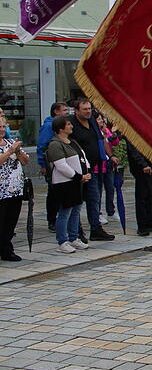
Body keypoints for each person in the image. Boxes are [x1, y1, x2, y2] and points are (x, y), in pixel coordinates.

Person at [69, 99, 113, 241]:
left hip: (93, 167)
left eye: (89, 108)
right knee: (76, 201)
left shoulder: (92, 120)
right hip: (77, 169)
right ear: (76, 110)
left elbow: (101, 139)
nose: (88, 111)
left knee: (94, 198)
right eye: (85, 109)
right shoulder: (70, 123)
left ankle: (96, 228)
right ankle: (76, 231)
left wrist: (110, 156)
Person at [47, 117, 90, 254]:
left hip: (76, 182)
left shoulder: (72, 141)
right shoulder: (55, 144)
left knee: (76, 210)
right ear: (60, 128)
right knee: (65, 212)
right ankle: (62, 241)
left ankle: (74, 237)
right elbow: (61, 166)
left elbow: (82, 156)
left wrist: (86, 172)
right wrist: (78, 176)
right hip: (65, 183)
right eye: (68, 124)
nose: (71, 126)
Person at [0, 109, 28, 262]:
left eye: (4, 127)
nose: (2, 130)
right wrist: (9, 151)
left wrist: (18, 152)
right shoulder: (8, 147)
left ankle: (6, 249)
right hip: (1, 190)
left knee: (11, 221)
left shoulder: (11, 142)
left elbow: (25, 161)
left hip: (14, 189)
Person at [37, 102, 69, 233]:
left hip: (63, 162)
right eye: (64, 110)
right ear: (56, 111)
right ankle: (52, 219)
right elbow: (42, 146)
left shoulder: (62, 126)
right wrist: (43, 164)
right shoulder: (48, 126)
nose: (67, 112)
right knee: (53, 193)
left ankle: (62, 218)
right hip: (51, 164)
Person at [126, 141, 152, 236]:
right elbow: (134, 150)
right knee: (142, 197)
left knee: (151, 195)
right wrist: (143, 164)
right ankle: (142, 226)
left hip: (151, 163)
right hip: (141, 167)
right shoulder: (132, 132)